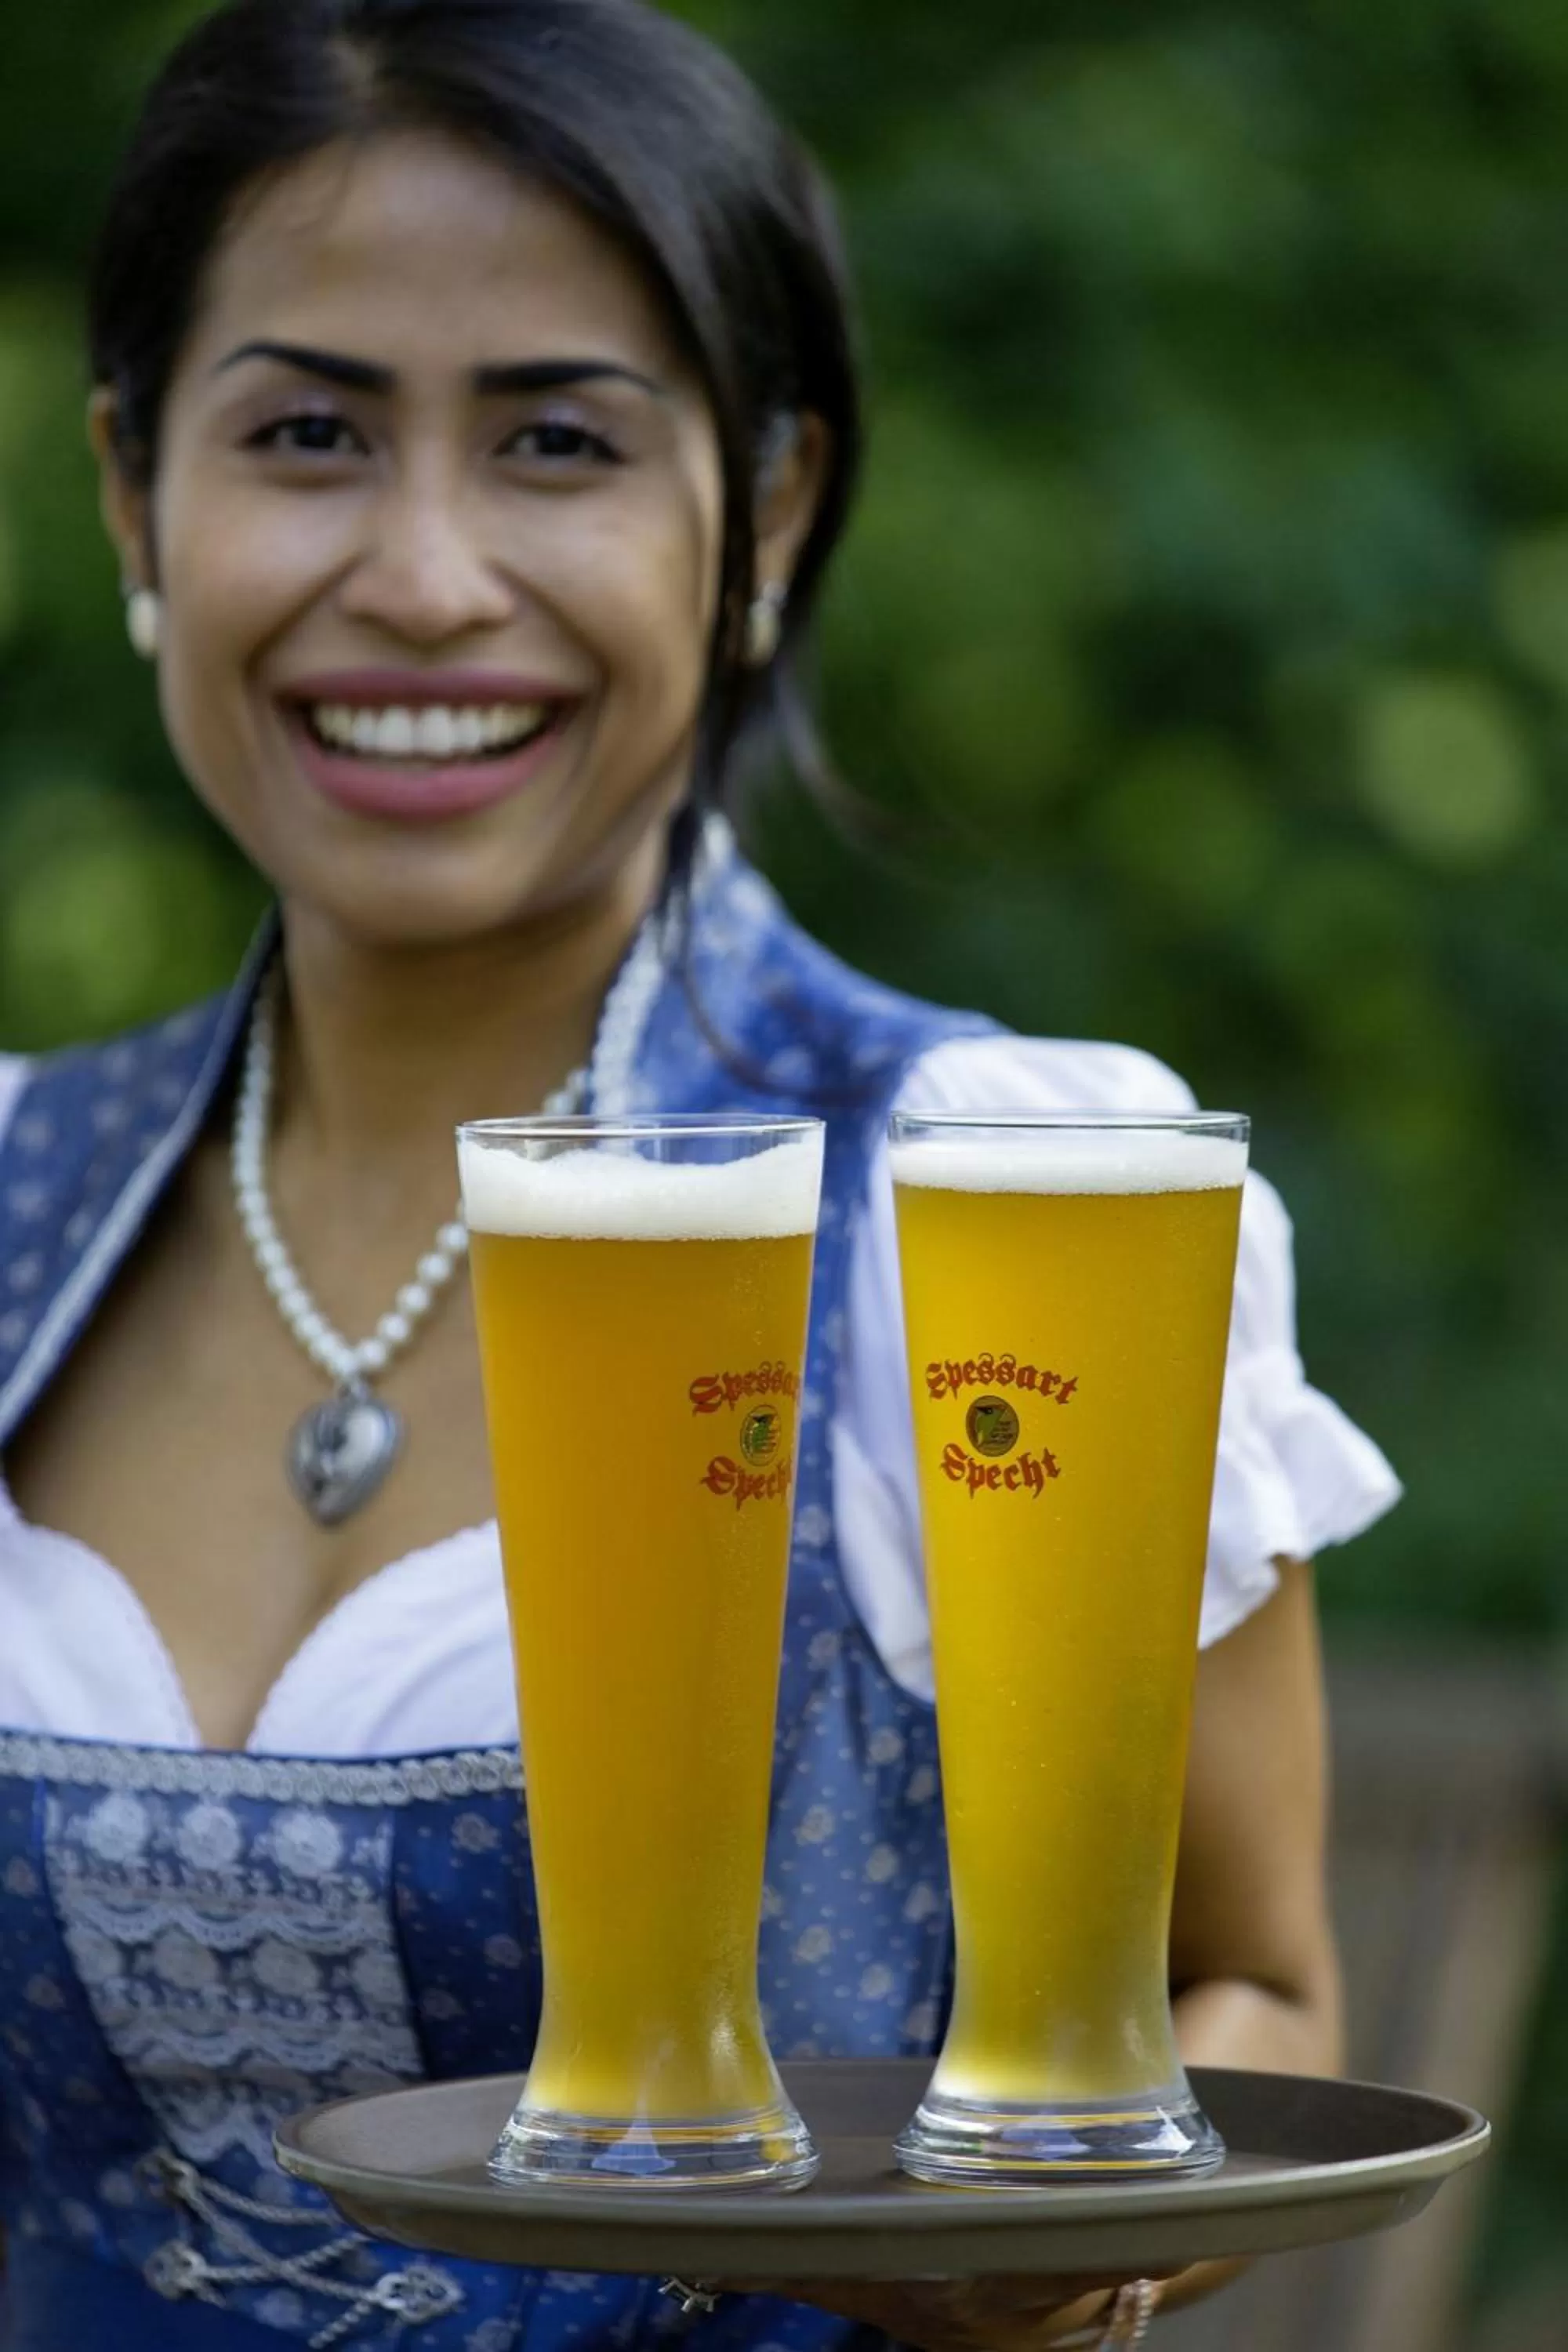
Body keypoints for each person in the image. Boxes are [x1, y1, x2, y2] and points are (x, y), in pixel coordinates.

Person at [0, 2, 1401, 2345]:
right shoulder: (21, 1193)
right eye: (309, 433)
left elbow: (1258, 1984)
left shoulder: (1007, 1207)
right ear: (140, 494)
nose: (426, 576)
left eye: (556, 439)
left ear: (760, 513)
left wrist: (1055, 2258)